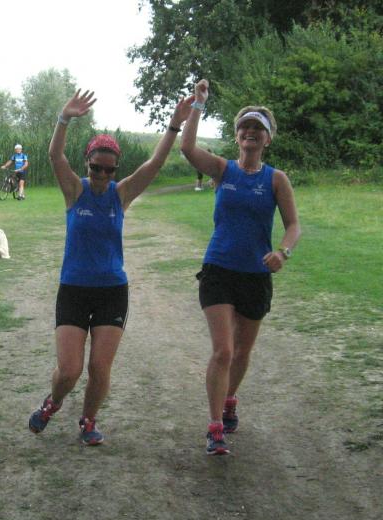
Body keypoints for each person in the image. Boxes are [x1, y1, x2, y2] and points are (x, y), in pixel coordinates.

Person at [27, 89, 192, 445]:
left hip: (112, 291)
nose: (102, 174)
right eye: (96, 168)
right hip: (74, 289)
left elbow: (154, 165)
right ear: (87, 164)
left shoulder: (121, 194)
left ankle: (88, 421)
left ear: (116, 169)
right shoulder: (75, 191)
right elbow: (55, 155)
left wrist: (174, 125)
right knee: (69, 371)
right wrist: (63, 118)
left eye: (109, 169)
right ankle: (53, 402)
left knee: (99, 368)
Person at [180, 79, 301, 455]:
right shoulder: (222, 170)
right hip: (219, 269)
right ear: (236, 136)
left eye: (257, 128)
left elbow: (293, 226)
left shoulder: (276, 179)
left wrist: (282, 252)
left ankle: (229, 398)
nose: (250, 132)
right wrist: (198, 105)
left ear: (268, 138)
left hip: (256, 275)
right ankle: (215, 426)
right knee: (224, 351)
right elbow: (187, 148)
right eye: (245, 127)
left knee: (243, 352)